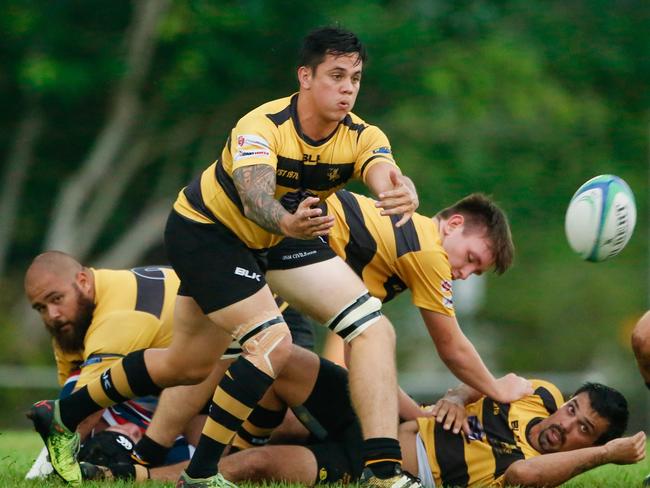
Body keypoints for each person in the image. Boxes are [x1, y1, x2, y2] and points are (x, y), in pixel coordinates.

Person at [28, 26, 440, 488]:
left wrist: (397, 189)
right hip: (208, 232)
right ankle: (201, 474)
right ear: (305, 76)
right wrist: (286, 223)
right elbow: (254, 196)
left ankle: (383, 473)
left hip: (281, 236)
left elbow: (382, 170)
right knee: (268, 343)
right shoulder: (260, 125)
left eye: (355, 78)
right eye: (336, 76)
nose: (347, 89)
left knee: (368, 327)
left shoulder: (362, 134)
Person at [88, 190, 533, 472]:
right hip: (277, 257)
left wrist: (415, 413)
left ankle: (143, 456)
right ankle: (155, 457)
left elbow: (361, 354)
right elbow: (451, 346)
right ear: (452, 224)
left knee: (201, 363)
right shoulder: (427, 248)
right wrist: (497, 388)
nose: (465, 273)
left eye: (477, 272)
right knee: (239, 370)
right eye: (473, 259)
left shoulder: (392, 254)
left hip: (262, 253)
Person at [81, 345, 645, 487]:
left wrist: (606, 456)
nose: (565, 425)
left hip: (368, 463)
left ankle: (131, 474)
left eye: (581, 432)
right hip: (383, 413)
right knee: (278, 357)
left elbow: (521, 476)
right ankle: (142, 433)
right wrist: (452, 398)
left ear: (587, 447)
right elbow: (489, 384)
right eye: (574, 411)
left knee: (254, 465)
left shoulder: (546, 472)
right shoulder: (542, 396)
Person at [23, 251, 315, 481]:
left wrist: (42, 471)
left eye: (56, 300)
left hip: (268, 320)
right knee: (207, 443)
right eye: (41, 308)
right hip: (208, 359)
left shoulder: (117, 319)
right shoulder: (72, 322)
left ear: (83, 282)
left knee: (287, 425)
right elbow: (73, 401)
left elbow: (78, 411)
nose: (53, 314)